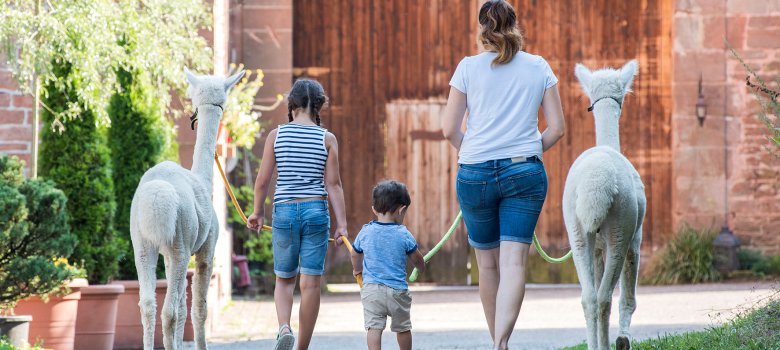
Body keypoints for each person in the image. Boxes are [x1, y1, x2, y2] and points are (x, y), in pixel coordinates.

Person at [441, 1, 566, 349]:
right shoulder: (538, 67)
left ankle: (498, 342)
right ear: (515, 25)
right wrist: (527, 154)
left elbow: (449, 129)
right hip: (524, 171)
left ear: (481, 29)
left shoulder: (467, 68)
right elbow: (557, 129)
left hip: (474, 173)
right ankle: (501, 342)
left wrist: (475, 153)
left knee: (487, 265)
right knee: (513, 263)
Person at [247, 78, 348, 350]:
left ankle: (283, 328)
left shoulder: (276, 136)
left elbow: (263, 180)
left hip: (285, 212)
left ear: (291, 105)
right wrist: (342, 226)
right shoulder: (327, 139)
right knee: (311, 282)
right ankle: (302, 347)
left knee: (284, 278)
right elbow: (334, 185)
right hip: (316, 210)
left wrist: (258, 212)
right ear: (318, 106)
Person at [349, 180, 426, 350]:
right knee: (403, 328)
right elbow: (417, 258)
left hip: (372, 291)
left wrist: (357, 269)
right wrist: (420, 268)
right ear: (402, 209)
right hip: (397, 291)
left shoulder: (366, 231)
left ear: (374, 209)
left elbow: (355, 253)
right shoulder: (403, 234)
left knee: (374, 327)